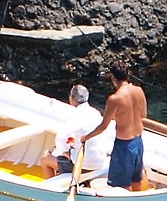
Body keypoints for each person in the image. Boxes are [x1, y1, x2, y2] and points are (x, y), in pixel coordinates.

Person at [87, 61, 148, 190]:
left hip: (124, 145)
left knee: (122, 185)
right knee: (136, 180)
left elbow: (104, 126)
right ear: (128, 75)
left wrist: (86, 137)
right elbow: (143, 115)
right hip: (138, 142)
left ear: (113, 78)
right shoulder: (139, 90)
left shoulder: (114, 99)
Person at [54, 83, 111, 182]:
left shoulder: (74, 116)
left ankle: (53, 191)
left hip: (83, 164)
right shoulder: (96, 113)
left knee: (45, 158)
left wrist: (64, 151)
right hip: (100, 162)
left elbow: (60, 138)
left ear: (72, 98)